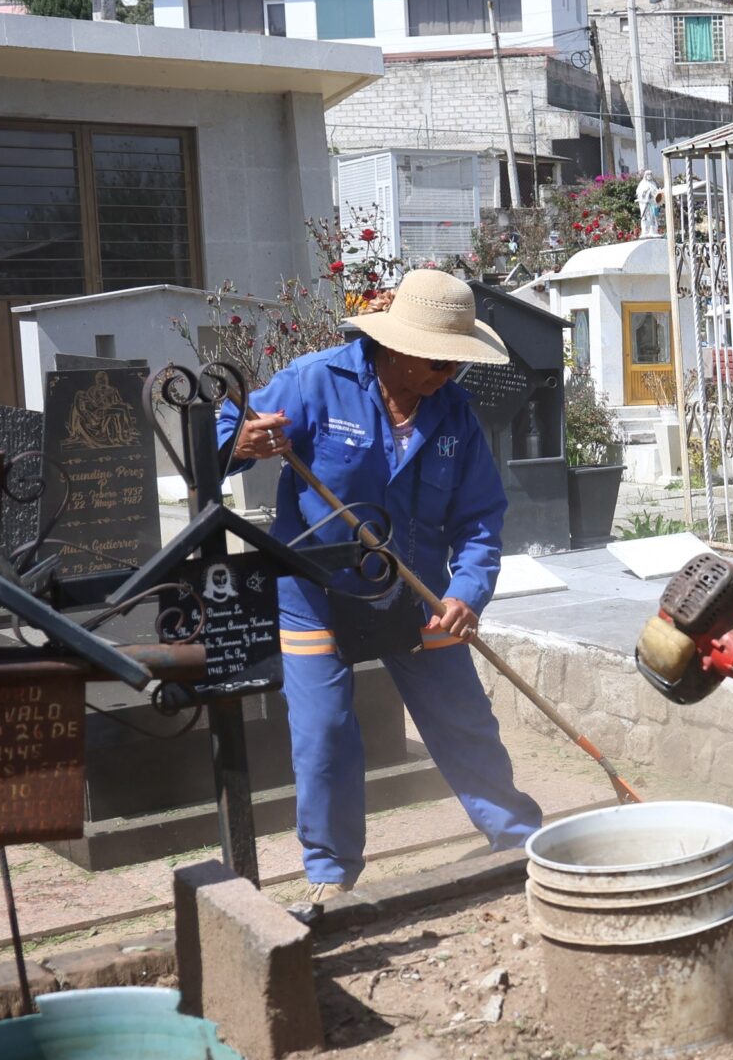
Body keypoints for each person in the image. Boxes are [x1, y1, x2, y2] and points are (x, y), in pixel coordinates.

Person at [221, 267, 545, 902]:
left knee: (464, 723)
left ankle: (518, 841)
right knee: (324, 737)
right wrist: (240, 440)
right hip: (315, 593)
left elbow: (481, 519)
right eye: (438, 362)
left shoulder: (455, 414)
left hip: (420, 593)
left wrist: (467, 593)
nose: (449, 375)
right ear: (397, 347)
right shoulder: (317, 382)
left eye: (455, 363)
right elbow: (220, 427)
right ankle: (329, 874)